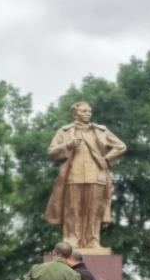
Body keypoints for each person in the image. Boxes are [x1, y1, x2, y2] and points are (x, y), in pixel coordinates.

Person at [44, 101, 127, 250]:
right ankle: (72, 240)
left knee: (94, 210)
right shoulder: (64, 131)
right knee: (72, 209)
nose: (88, 113)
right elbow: (51, 152)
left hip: (96, 174)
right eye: (84, 111)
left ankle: (93, 240)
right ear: (75, 113)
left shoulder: (101, 130)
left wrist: (106, 159)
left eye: (89, 111)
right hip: (73, 174)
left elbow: (121, 146)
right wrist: (67, 145)